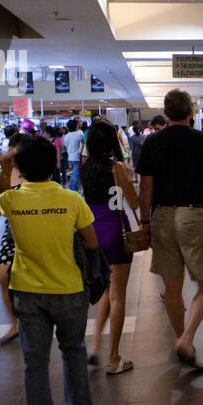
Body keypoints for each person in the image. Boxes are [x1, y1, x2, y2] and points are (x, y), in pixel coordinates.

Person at [0, 136, 104, 405]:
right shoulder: (71, 199)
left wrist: (6, 166)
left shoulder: (11, 200)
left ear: (21, 169)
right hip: (70, 289)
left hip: (28, 292)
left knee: (35, 363)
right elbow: (91, 242)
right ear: (56, 164)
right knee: (74, 351)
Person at [135, 89, 203, 370]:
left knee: (172, 287)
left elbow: (145, 186)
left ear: (165, 114)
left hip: (162, 216)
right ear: (191, 112)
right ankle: (187, 339)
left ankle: (182, 340)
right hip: (193, 213)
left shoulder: (153, 142)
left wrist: (145, 222)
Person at [83, 121, 138, 374]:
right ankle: (113, 357)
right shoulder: (117, 168)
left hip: (92, 232)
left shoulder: (85, 169)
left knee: (105, 289)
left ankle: (94, 346)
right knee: (118, 295)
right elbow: (134, 203)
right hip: (116, 230)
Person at [0, 132, 25, 343]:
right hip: (11, 232)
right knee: (3, 275)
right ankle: (14, 324)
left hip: (30, 228)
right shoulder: (6, 175)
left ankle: (30, 319)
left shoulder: (31, 172)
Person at [62, 118, 85, 191]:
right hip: (77, 156)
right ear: (75, 125)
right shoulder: (80, 133)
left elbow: (65, 146)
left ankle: (71, 187)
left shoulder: (67, 135)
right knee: (76, 174)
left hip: (70, 157)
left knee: (73, 173)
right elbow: (83, 143)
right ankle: (74, 188)